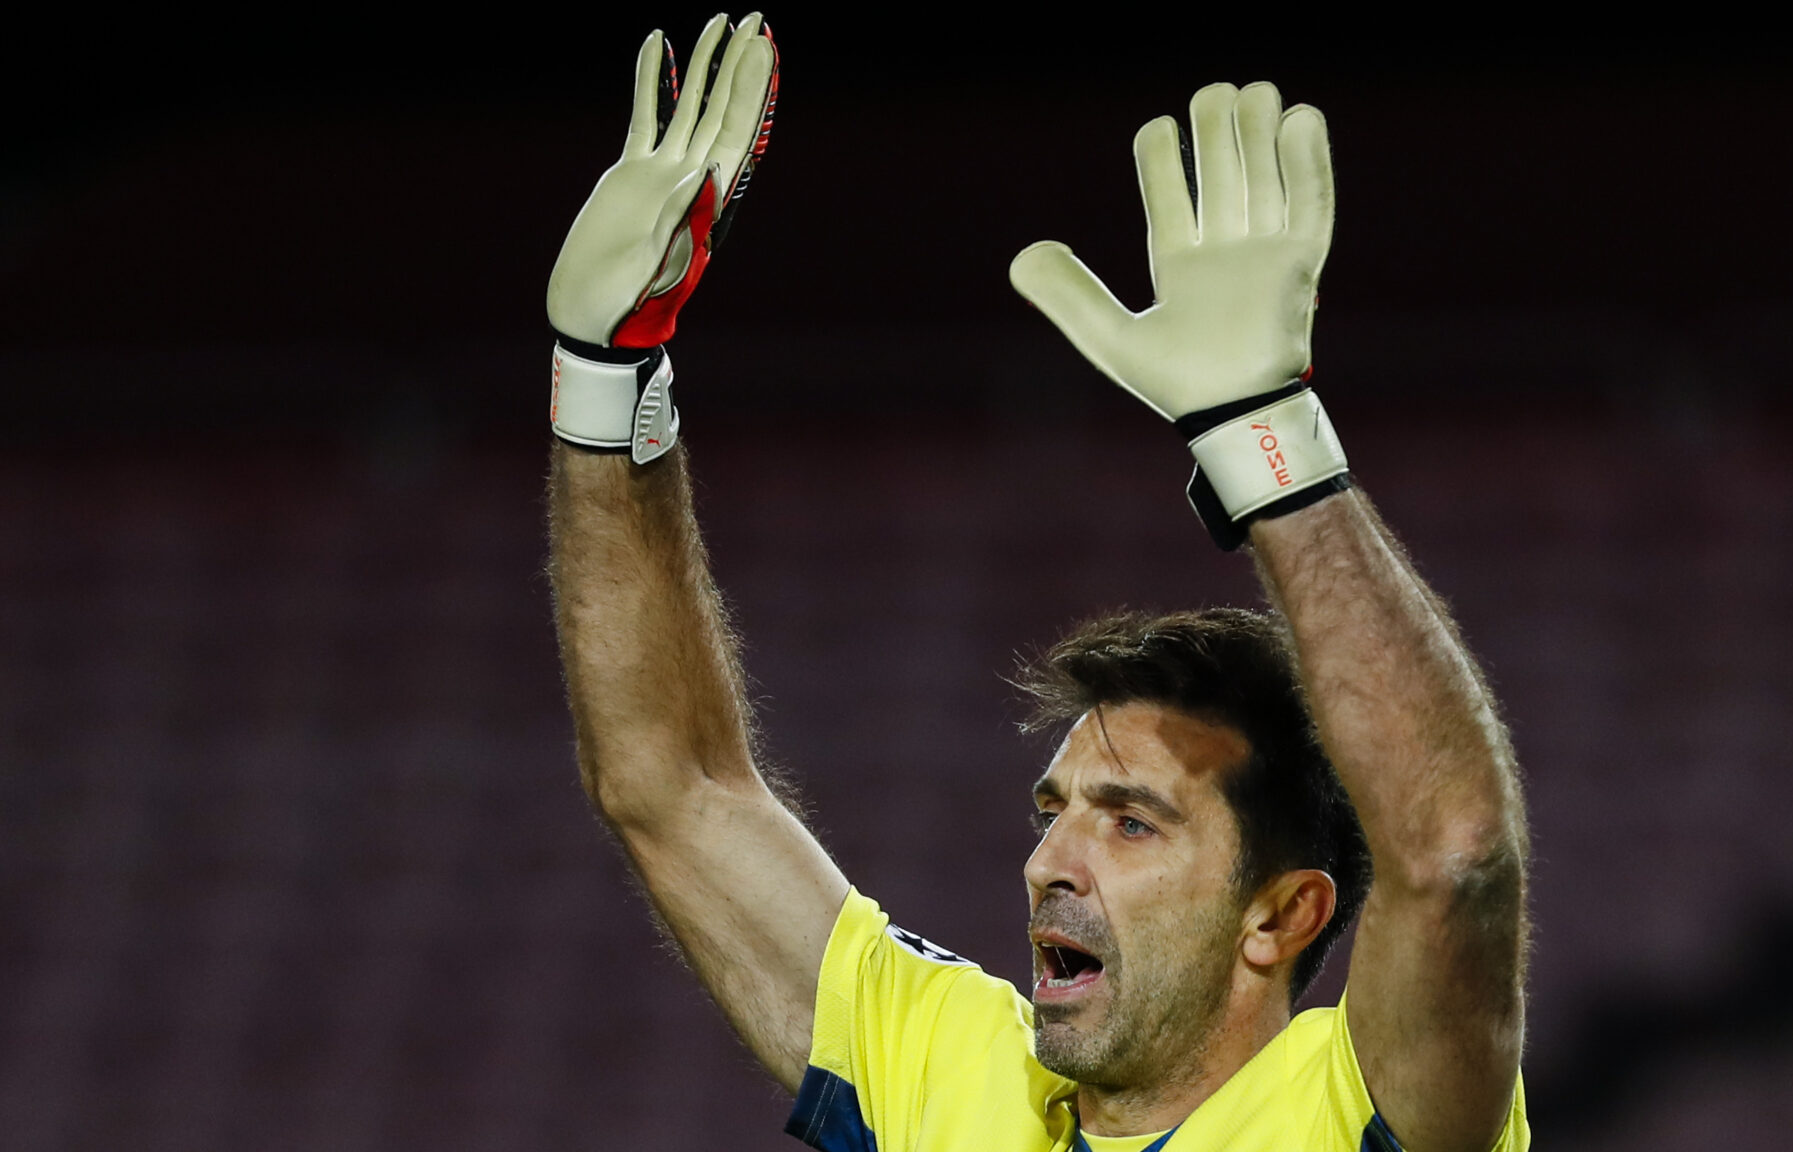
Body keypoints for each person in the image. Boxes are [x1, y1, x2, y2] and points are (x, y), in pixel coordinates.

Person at [544, 13, 1532, 1151]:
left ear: (1278, 915)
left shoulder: (1354, 1111)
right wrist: (603, 375)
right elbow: (669, 785)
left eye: (1131, 824)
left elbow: (1454, 854)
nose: (1047, 864)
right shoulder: (960, 1080)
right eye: (1054, 813)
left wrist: (1264, 439)